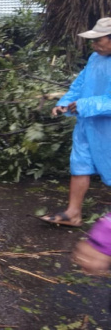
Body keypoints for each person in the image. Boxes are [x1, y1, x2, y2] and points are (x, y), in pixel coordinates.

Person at [38, 18, 111, 227]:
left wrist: (84, 105)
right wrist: (66, 104)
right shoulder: (95, 58)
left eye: (98, 39)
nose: (94, 43)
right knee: (80, 165)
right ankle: (73, 213)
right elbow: (79, 85)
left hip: (106, 128)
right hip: (87, 124)